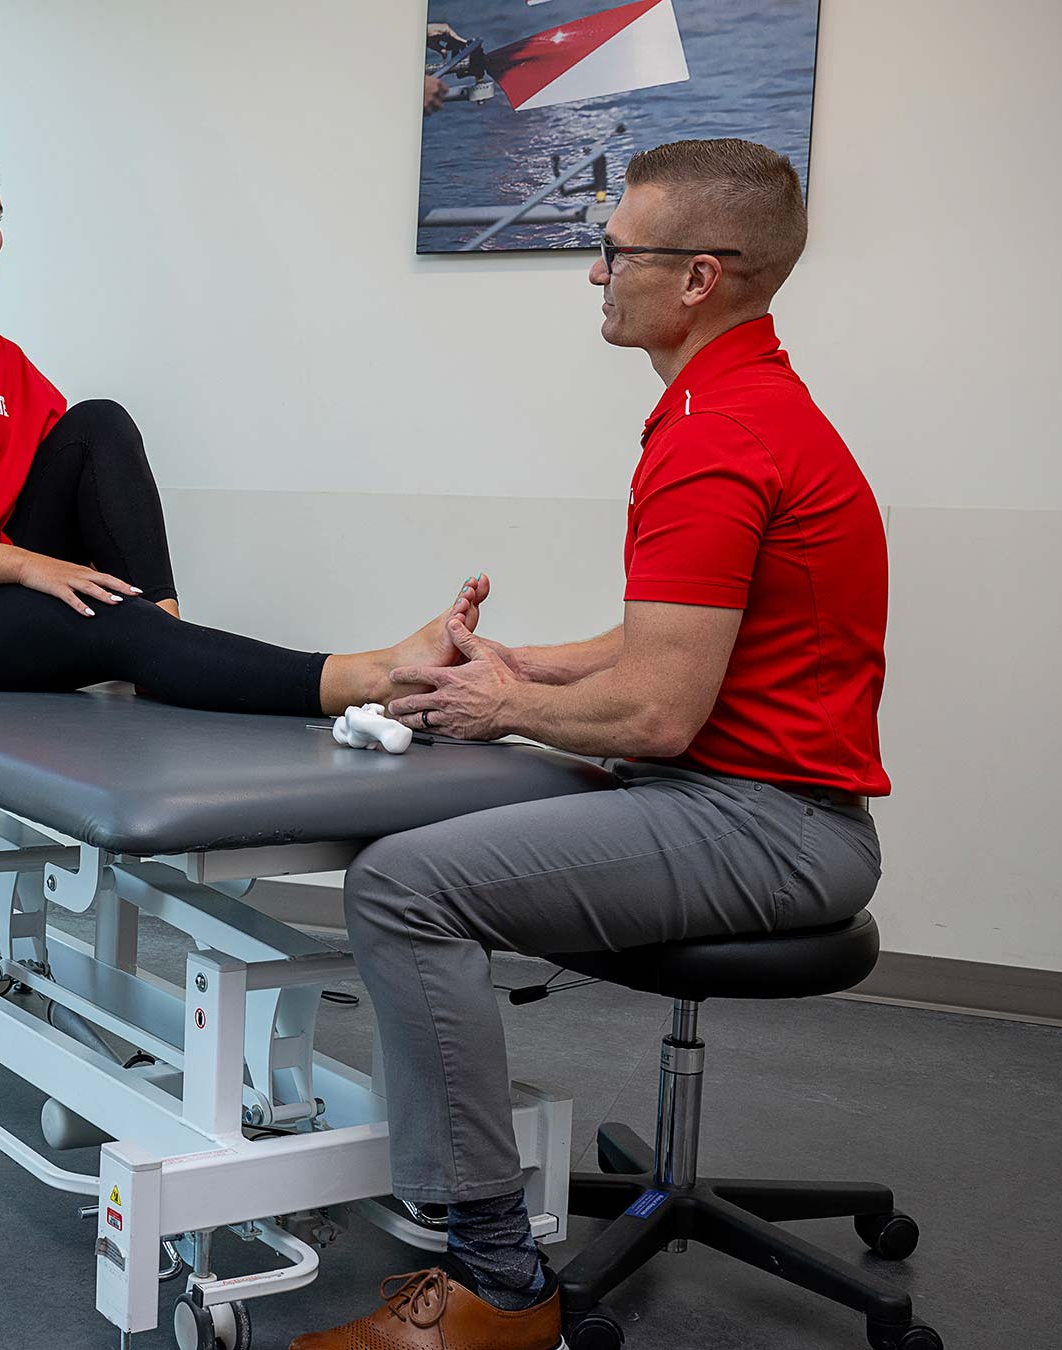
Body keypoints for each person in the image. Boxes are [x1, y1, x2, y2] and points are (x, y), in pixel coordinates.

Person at [293, 139, 890, 1349]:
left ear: (698, 278)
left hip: (768, 825)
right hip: (757, 805)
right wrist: (525, 670)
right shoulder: (744, 403)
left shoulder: (714, 434)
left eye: (615, 250)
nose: (595, 272)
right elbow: (672, 637)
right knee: (453, 810)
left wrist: (494, 706)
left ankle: (494, 1285)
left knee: (404, 888)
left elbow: (660, 715)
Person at [0, 140, 482, 716]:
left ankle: (166, 644)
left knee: (101, 422)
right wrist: (32, 566)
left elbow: (87, 477)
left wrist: (137, 614)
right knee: (116, 623)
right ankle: (367, 677)